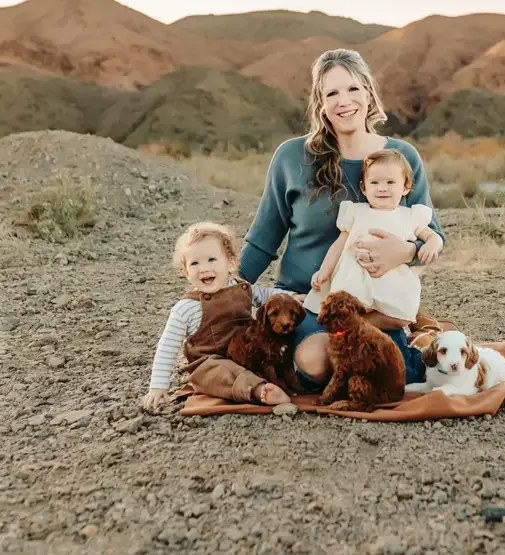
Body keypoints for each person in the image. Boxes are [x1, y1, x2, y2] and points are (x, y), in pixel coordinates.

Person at [237, 48, 445, 392]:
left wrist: (404, 252)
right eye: (331, 93)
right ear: (320, 102)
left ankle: (410, 352)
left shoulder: (401, 157)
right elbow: (263, 238)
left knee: (375, 366)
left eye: (352, 89)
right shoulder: (292, 156)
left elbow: (432, 236)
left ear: (368, 92)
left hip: (373, 305)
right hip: (308, 303)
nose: (343, 101)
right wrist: (228, 289)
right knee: (317, 362)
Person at [141, 221, 296, 413]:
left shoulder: (241, 287)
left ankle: (287, 379)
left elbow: (267, 296)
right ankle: (259, 390)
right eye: (195, 263)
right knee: (219, 374)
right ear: (186, 271)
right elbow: (167, 347)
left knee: (269, 350)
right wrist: (158, 386)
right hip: (211, 362)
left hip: (245, 352)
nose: (204, 268)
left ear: (230, 262)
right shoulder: (187, 308)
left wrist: (292, 298)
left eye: (212, 260)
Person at [304, 148, 444, 324]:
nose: (382, 188)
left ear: (405, 187)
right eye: (374, 182)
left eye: (390, 182)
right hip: (355, 277)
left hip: (392, 280)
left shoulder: (410, 216)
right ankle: (353, 324)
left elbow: (434, 236)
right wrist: (324, 271)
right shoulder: (356, 212)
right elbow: (339, 245)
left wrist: (432, 244)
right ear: (364, 187)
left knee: (401, 317)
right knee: (344, 307)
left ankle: (364, 325)